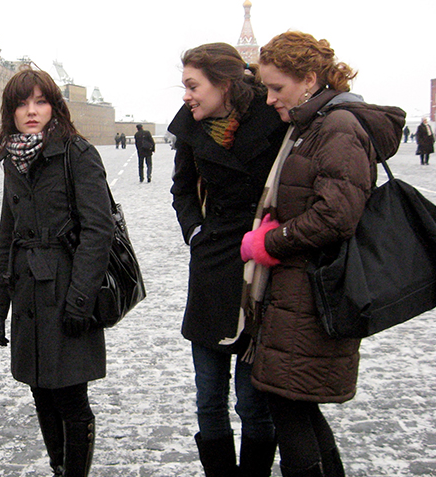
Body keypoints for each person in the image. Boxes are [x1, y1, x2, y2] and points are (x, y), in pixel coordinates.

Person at [243, 31, 404, 477]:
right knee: (295, 406)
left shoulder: (337, 127)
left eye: (278, 87)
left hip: (314, 294)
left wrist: (269, 242)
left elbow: (337, 215)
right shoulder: (313, 124)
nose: (270, 98)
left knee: (290, 406)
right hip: (299, 294)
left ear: (310, 78)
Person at [0, 65, 114, 477]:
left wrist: (80, 299)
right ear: (10, 111)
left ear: (54, 106)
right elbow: (8, 233)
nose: (32, 110)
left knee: (71, 398)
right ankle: (59, 468)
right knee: (40, 391)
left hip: (66, 287)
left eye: (40, 101)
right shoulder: (14, 157)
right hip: (27, 290)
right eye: (22, 103)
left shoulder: (76, 153)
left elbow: (99, 229)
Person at [169, 42, 288, 477]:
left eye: (193, 85)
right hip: (212, 264)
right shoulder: (192, 128)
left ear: (223, 84)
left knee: (253, 401)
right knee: (209, 397)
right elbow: (182, 188)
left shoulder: (273, 118)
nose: (186, 95)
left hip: (261, 267)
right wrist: (195, 231)